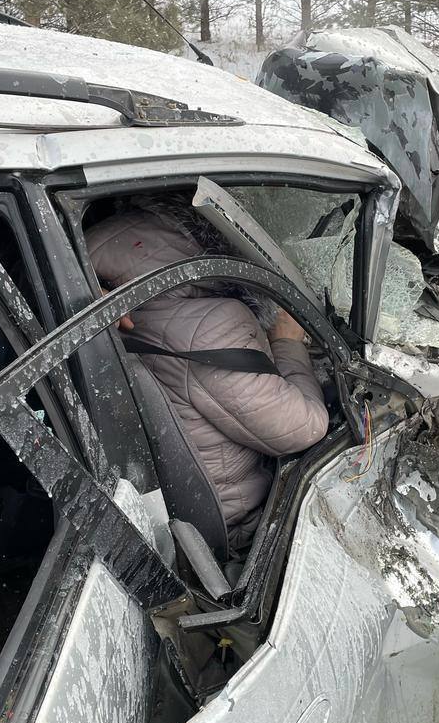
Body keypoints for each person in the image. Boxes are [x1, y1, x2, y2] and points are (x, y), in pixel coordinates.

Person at [86, 199, 328, 546]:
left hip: (161, 499)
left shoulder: (93, 292)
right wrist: (288, 344)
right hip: (233, 521)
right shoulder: (212, 324)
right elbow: (302, 427)